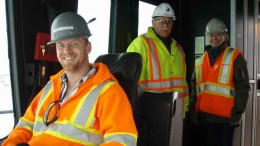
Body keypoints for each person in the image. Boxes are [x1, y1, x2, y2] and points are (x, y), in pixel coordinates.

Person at [3, 12, 137, 146]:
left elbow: (122, 142)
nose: (66, 51)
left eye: (74, 44)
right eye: (60, 45)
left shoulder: (109, 92)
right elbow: (25, 125)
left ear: (88, 47)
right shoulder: (50, 86)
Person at [126, 2, 189, 146]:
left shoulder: (178, 49)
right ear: (153, 22)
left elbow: (183, 83)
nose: (165, 25)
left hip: (175, 113)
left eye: (169, 21)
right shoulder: (140, 44)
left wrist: (184, 110)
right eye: (161, 21)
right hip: (149, 113)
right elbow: (132, 84)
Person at [189, 18, 250, 146]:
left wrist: (237, 113)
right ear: (207, 37)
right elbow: (194, 89)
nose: (214, 38)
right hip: (204, 118)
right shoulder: (199, 61)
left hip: (226, 120)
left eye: (218, 34)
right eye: (211, 35)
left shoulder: (235, 57)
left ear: (225, 36)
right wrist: (192, 112)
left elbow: (243, 88)